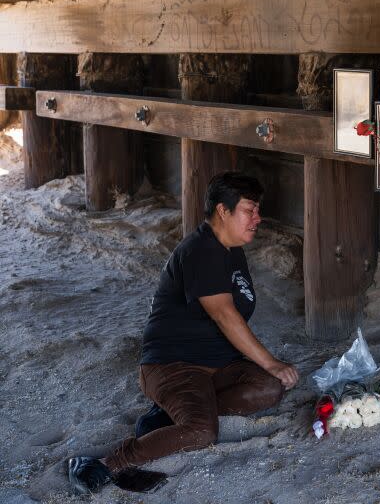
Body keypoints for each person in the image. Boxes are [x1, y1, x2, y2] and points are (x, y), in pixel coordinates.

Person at [67, 172, 299, 495]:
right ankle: (106, 463)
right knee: (202, 432)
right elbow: (224, 314)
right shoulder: (201, 250)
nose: (258, 219)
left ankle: (167, 417)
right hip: (174, 366)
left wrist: (270, 369)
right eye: (250, 210)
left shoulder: (232, 250)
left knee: (268, 388)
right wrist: (271, 361)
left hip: (217, 364)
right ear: (223, 211)